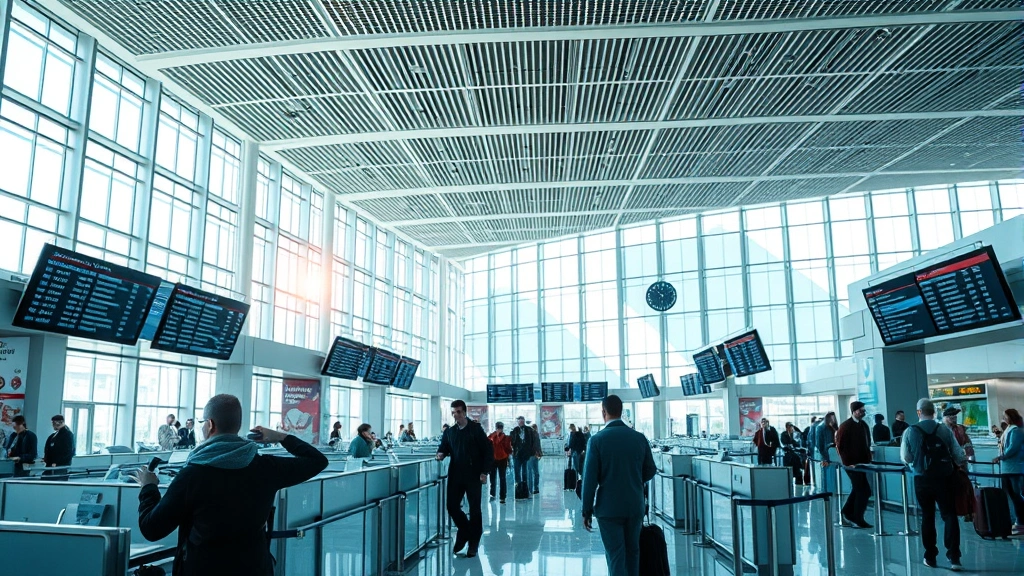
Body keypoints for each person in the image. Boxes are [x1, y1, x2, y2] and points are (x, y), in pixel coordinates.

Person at [130, 394, 328, 575]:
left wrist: (148, 487)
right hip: (254, 568)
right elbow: (317, 461)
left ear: (209, 425)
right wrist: (280, 437)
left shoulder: (193, 474)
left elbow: (152, 529)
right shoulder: (266, 467)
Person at [581, 395, 656, 576]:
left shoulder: (597, 440)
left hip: (609, 509)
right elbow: (651, 470)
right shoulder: (639, 438)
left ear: (603, 412)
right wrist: (633, 480)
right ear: (621, 412)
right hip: (634, 506)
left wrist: (586, 511)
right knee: (633, 553)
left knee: (615, 555)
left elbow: (589, 480)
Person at [901, 398, 966, 571]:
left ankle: (930, 556)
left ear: (918, 412)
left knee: (927, 516)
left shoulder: (910, 431)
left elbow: (906, 457)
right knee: (949, 515)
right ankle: (954, 557)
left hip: (922, 479)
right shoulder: (944, 429)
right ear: (934, 412)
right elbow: (959, 455)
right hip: (944, 478)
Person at [436, 399, 493, 558]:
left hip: (474, 474)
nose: (456, 416)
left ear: (465, 412)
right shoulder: (450, 432)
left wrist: (484, 471)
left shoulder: (476, 429)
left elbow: (487, 451)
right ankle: (465, 531)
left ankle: (473, 542)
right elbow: (444, 447)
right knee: (452, 506)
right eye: (453, 413)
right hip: (456, 474)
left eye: (459, 412)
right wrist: (440, 454)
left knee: (475, 508)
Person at [835, 401, 873, 529]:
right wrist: (847, 463)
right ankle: (857, 518)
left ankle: (847, 512)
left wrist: (868, 459)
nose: (863, 412)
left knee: (859, 489)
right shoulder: (845, 426)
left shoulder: (864, 425)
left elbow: (867, 443)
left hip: (862, 463)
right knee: (864, 490)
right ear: (854, 411)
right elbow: (840, 446)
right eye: (860, 410)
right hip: (851, 464)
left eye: (863, 410)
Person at [992, 408, 1024, 535]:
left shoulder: (1015, 430)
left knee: (1016, 495)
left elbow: (1012, 448)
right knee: (1012, 495)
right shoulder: (1009, 429)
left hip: (1013, 468)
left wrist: (1001, 456)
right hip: (1008, 468)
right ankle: (1018, 521)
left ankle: (1021, 521)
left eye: (1005, 416)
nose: (1003, 417)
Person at [510, 416, 537, 497]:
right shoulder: (514, 430)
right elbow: (512, 442)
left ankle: (525, 489)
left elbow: (533, 442)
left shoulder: (529, 430)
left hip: (526, 454)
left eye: (522, 421)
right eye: (520, 421)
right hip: (517, 454)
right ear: (518, 422)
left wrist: (532, 452)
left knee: (525, 472)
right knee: (517, 472)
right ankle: (518, 488)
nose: (521, 422)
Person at [488, 421, 513, 503]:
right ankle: (492, 494)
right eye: (498, 428)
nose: (499, 429)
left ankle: (502, 496)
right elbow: (487, 446)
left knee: (502, 478)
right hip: (493, 459)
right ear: (496, 428)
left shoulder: (506, 438)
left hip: (503, 459)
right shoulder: (492, 436)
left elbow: (508, 449)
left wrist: (509, 457)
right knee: (493, 478)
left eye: (500, 428)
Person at [529, 423, 543, 494]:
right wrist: (539, 453)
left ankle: (531, 489)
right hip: (535, 454)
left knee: (531, 472)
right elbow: (538, 444)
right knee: (536, 472)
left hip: (531, 455)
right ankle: (535, 488)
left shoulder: (530, 434)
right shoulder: (536, 434)